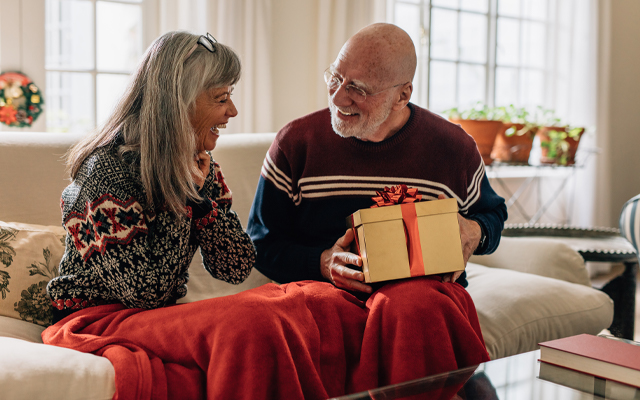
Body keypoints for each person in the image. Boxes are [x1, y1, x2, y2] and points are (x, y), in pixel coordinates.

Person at [42, 31, 367, 400]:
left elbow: (236, 266)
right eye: (221, 98)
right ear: (178, 104)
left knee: (298, 301)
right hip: (95, 320)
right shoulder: (104, 174)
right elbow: (147, 292)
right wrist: (187, 198)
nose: (232, 111)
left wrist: (202, 203)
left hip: (152, 316)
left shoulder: (199, 166)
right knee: (252, 323)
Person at [247, 22, 507, 389]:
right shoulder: (296, 143)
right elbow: (259, 243)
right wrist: (322, 262)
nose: (338, 97)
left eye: (358, 89)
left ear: (402, 96)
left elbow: (493, 214)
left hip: (423, 299)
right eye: (335, 78)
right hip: (328, 294)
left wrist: (475, 230)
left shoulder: (453, 148)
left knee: (410, 307)